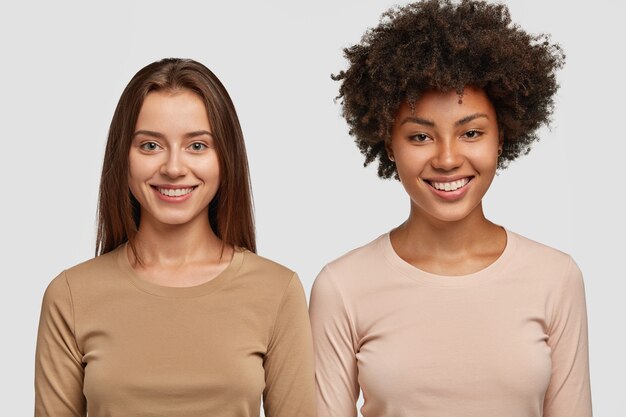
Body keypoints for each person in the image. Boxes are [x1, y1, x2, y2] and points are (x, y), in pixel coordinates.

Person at [309, 1, 591, 416]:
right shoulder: (342, 287)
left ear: (501, 137)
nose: (446, 159)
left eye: (471, 132)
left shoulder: (555, 278)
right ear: (390, 144)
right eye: (420, 137)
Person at [35, 58, 315, 417]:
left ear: (225, 158)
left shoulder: (277, 291)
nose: (173, 168)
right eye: (150, 146)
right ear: (123, 157)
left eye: (197, 146)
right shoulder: (71, 296)